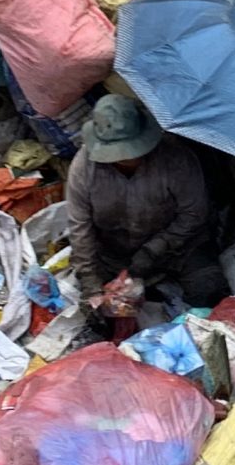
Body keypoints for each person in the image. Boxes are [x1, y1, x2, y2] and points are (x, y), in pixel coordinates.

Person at [65, 94, 225, 313]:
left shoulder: (175, 158)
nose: (127, 157)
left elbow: (194, 214)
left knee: (209, 287)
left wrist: (152, 251)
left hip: (178, 249)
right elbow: (80, 228)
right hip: (114, 255)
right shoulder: (84, 168)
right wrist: (91, 285)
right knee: (99, 311)